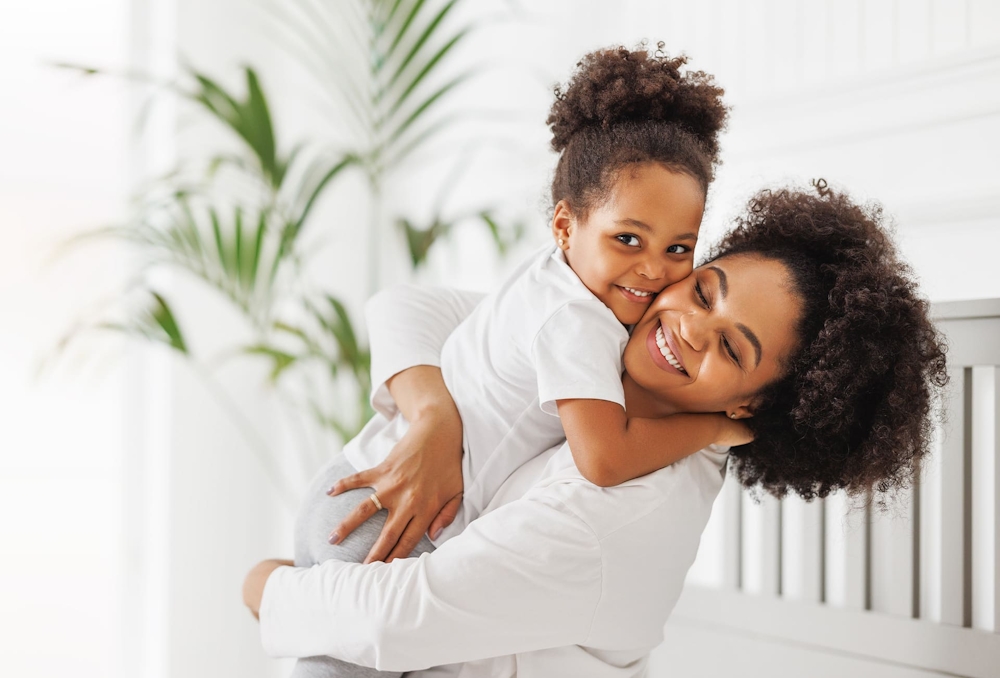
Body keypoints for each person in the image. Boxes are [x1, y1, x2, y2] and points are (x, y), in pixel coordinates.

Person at [244, 183, 948, 677]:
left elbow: (397, 620)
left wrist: (266, 585)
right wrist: (434, 414)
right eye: (703, 289)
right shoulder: (605, 343)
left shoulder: (622, 517)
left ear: (749, 409)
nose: (687, 327)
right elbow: (413, 308)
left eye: (732, 350)